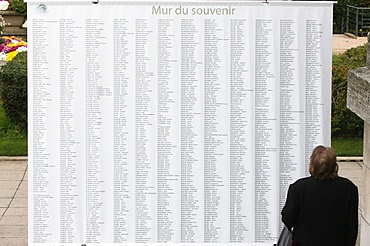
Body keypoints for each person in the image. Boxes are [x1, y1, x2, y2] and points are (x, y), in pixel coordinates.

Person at [281, 145, 359, 246]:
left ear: (312, 165)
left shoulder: (299, 188)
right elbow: (352, 226)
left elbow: (288, 219)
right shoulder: (349, 188)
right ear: (334, 165)